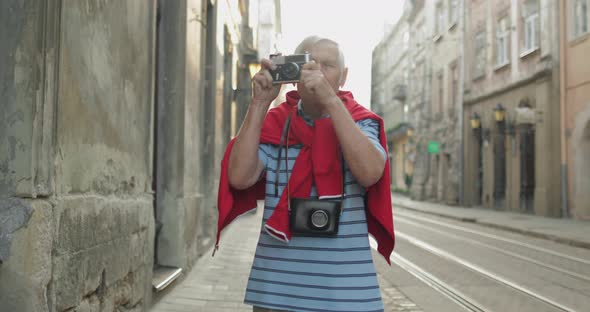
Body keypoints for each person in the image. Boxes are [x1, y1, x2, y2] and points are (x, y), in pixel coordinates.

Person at [215, 36, 395, 312]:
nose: (317, 72)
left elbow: (371, 172)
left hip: (347, 293)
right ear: (293, 71)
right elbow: (239, 177)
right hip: (276, 291)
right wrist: (260, 104)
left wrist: (332, 103)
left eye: (328, 66)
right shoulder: (276, 122)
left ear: (343, 77)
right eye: (309, 63)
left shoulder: (361, 122)